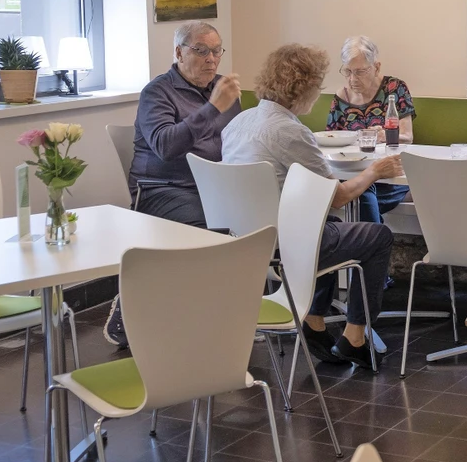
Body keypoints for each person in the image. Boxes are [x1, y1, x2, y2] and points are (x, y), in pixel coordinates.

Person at [222, 44, 400, 366]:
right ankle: (355, 337)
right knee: (376, 237)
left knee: (325, 225)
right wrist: (374, 171)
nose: (319, 94)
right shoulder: (290, 131)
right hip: (284, 246)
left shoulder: (237, 123)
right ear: (302, 89)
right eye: (317, 86)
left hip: (241, 242)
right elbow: (340, 196)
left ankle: (315, 322)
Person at [107, 21, 240, 348]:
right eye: (201, 50)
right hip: (162, 187)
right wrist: (211, 110)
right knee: (208, 230)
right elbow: (166, 146)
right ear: (179, 52)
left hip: (215, 186)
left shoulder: (222, 89)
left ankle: (235, 314)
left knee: (261, 218)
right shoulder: (157, 92)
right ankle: (153, 310)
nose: (211, 59)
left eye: (217, 51)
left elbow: (238, 140)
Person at [325, 36, 415, 223]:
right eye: (347, 71)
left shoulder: (395, 88)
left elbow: (408, 136)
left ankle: (368, 243)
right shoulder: (341, 97)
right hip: (351, 174)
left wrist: (383, 134)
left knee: (359, 196)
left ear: (377, 66)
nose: (352, 79)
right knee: (360, 192)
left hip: (387, 176)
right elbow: (329, 139)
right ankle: (373, 241)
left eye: (359, 72)